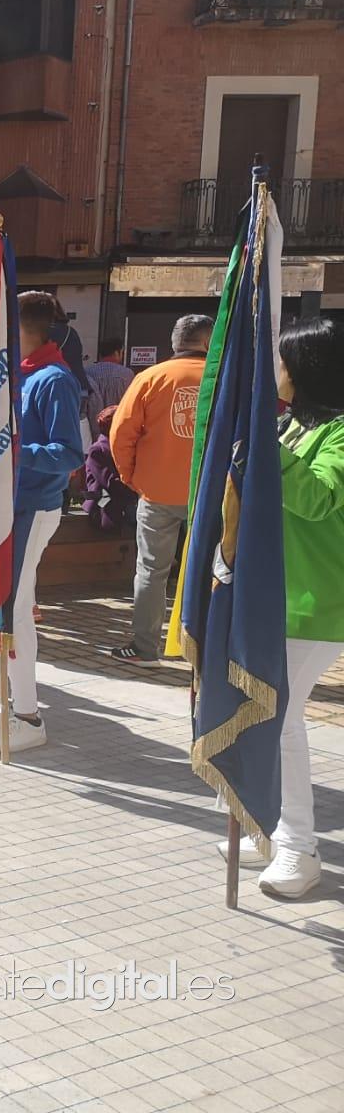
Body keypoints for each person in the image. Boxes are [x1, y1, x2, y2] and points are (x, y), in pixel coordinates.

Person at [223, 314, 344, 898]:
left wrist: (262, 439)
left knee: (281, 719)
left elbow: (318, 498)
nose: (276, 370)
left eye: (283, 359)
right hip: (270, 594)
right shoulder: (290, 424)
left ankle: (300, 846)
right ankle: (269, 827)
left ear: (307, 367)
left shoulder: (338, 434)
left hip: (316, 602)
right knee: (267, 716)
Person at [0, 292, 85, 753]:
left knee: (15, 612)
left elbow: (68, 454)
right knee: (9, 609)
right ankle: (15, 704)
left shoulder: (54, 380)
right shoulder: (20, 374)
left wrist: (13, 453)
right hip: (9, 508)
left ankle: (28, 715)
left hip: (32, 508)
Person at [107, 314, 211, 663]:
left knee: (151, 571)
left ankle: (144, 647)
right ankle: (206, 651)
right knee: (211, 571)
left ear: (174, 343)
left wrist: (131, 476)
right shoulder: (224, 378)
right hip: (210, 493)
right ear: (208, 341)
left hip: (157, 491)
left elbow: (121, 434)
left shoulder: (150, 377)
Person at [82, 405, 136, 533]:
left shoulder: (127, 447)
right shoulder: (97, 450)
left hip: (128, 501)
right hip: (106, 506)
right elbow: (111, 483)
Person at [86, 336, 135, 435]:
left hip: (93, 429)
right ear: (117, 352)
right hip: (119, 427)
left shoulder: (88, 372)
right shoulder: (127, 374)